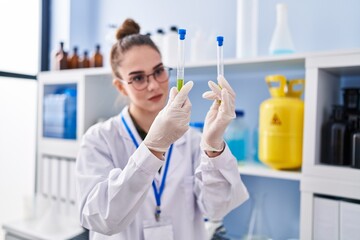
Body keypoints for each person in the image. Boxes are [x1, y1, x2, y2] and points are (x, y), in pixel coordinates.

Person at [76, 18, 249, 240]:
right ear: (120, 86)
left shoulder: (194, 141)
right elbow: (100, 219)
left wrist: (213, 145)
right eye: (138, 78)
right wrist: (152, 147)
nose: (153, 85)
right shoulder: (99, 139)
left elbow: (216, 209)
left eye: (159, 71)